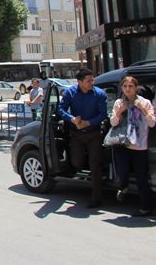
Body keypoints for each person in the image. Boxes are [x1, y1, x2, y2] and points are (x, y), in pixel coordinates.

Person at [56, 68, 108, 208]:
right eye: (89, 80)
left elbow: (103, 114)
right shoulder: (70, 93)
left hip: (94, 134)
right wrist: (72, 119)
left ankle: (96, 199)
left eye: (93, 79)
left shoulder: (99, 94)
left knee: (95, 166)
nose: (92, 82)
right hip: (77, 135)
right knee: (76, 163)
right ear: (79, 82)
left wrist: (89, 122)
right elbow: (60, 109)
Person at [110, 75, 155, 216]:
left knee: (141, 177)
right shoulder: (119, 102)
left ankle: (146, 207)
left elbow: (152, 123)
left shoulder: (145, 102)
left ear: (136, 88)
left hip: (139, 145)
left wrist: (143, 109)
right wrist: (119, 111)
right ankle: (123, 187)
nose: (127, 89)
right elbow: (113, 123)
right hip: (123, 144)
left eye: (130, 86)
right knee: (122, 170)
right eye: (125, 86)